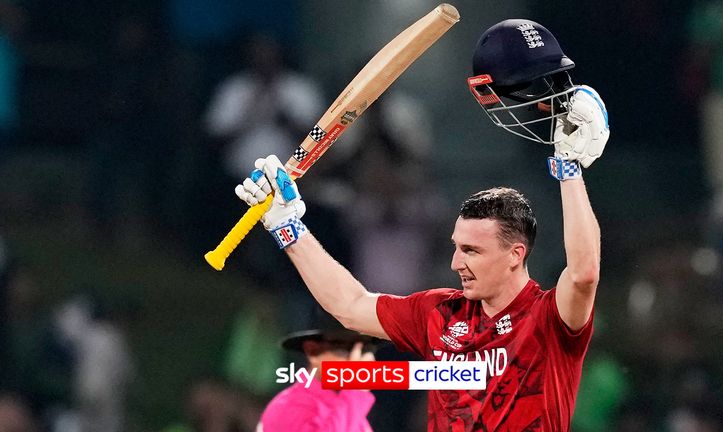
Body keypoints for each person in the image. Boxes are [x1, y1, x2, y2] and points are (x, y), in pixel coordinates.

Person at [235, 19, 609, 431]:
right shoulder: (440, 314)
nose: (456, 263)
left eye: (472, 251)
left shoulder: (548, 319)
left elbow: (584, 273)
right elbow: (350, 306)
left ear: (515, 255)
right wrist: (286, 226)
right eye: (456, 247)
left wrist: (568, 169)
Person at [257, 307, 380, 432]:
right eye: (347, 351)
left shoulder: (349, 411)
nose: (357, 362)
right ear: (313, 351)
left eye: (363, 352)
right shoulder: (288, 406)